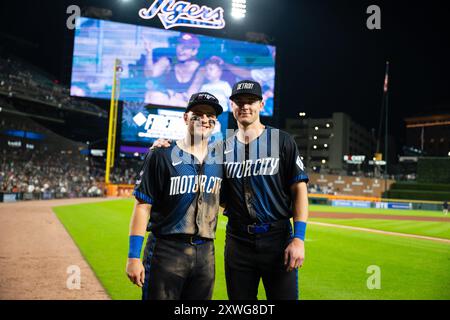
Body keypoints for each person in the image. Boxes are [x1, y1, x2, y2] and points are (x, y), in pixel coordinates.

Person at [152, 80, 309, 300]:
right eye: (239, 101)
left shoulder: (282, 141)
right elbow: (209, 185)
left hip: (277, 238)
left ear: (262, 104)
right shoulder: (220, 149)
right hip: (238, 241)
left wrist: (299, 239)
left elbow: (299, 189)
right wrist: (164, 145)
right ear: (232, 105)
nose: (245, 106)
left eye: (251, 101)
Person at [125, 92, 224, 300]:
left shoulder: (221, 161)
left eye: (210, 115)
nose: (204, 119)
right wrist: (133, 256)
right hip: (167, 250)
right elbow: (143, 205)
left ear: (215, 122)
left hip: (206, 253)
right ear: (186, 117)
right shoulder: (162, 153)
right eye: (198, 113)